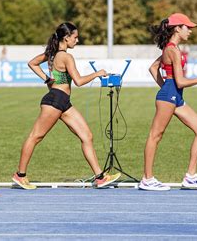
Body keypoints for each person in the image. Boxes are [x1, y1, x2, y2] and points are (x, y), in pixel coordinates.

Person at [12, 22, 121, 190]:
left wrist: (46, 79)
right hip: (55, 100)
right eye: (75, 37)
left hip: (63, 102)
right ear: (66, 37)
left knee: (87, 135)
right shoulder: (65, 56)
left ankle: (100, 177)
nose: (77, 40)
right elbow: (78, 81)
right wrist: (97, 74)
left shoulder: (51, 53)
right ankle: (20, 175)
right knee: (36, 136)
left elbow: (32, 63)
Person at [140, 13, 197, 191]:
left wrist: (165, 85)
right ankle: (147, 179)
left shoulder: (171, 48)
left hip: (175, 97)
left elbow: (153, 68)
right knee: (155, 136)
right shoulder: (172, 50)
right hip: (169, 97)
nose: (190, 31)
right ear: (177, 28)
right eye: (187, 27)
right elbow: (180, 82)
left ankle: (191, 177)